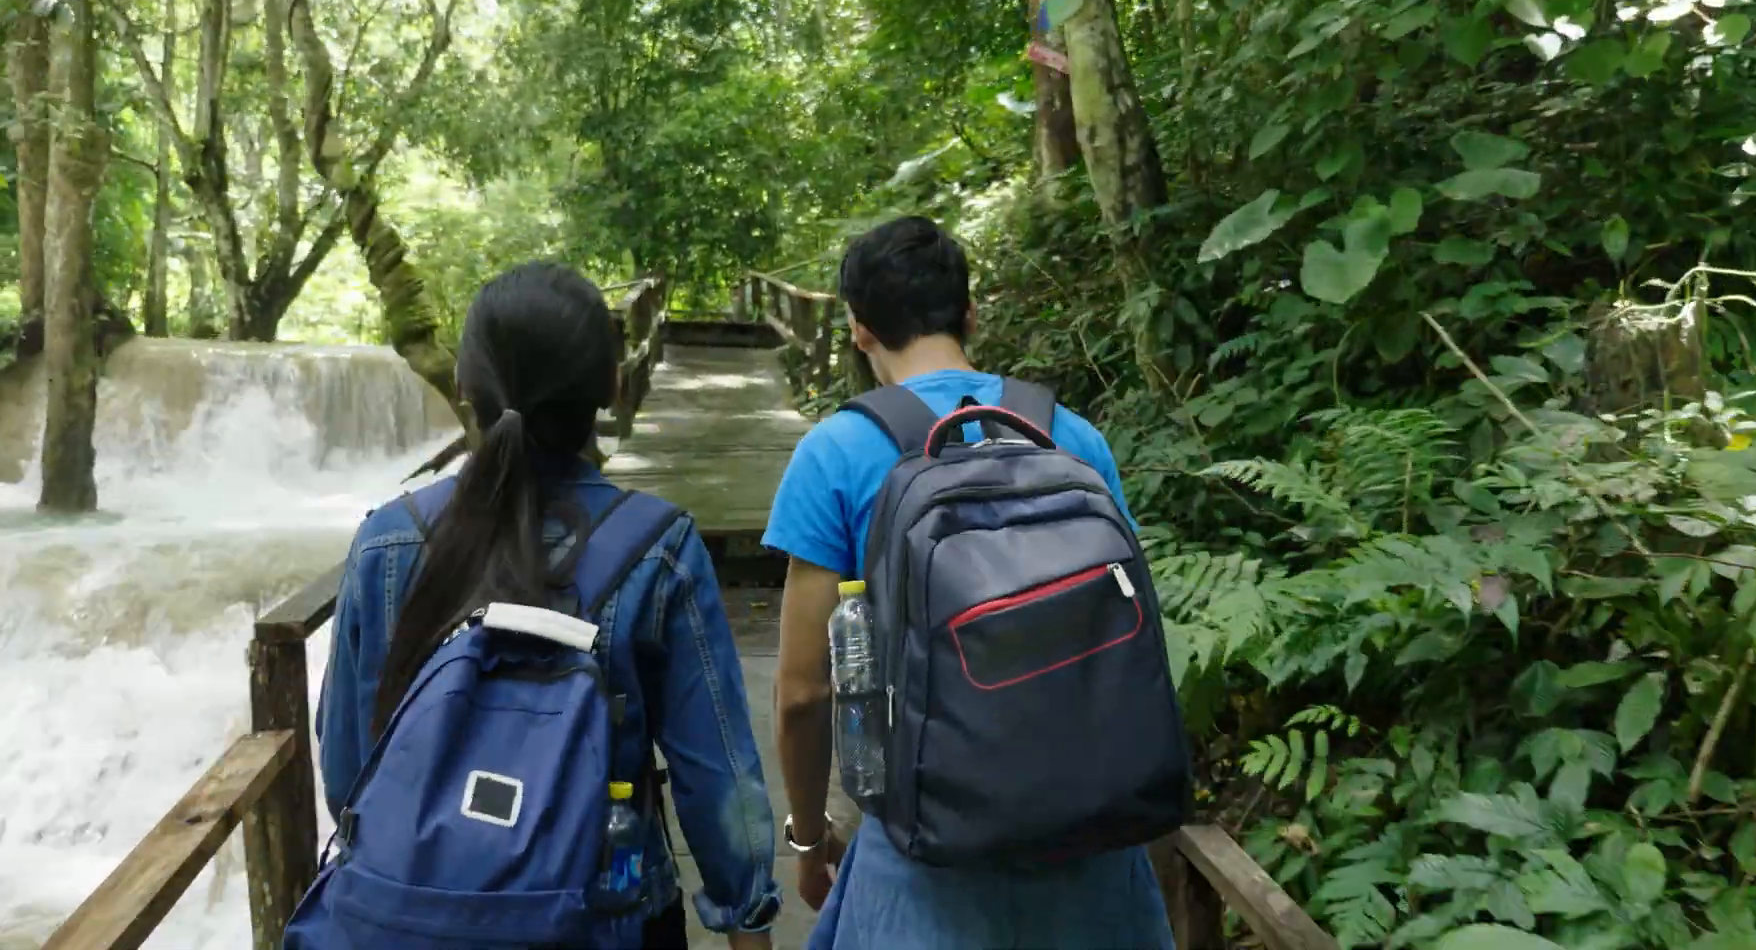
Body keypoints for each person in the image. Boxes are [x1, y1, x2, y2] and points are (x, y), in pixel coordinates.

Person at [310, 262, 780, 949]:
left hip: (405, 911)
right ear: (612, 386)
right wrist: (747, 920)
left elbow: (350, 765)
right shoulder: (659, 548)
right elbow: (716, 774)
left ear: (465, 387)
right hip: (607, 917)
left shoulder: (386, 541)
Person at [765, 216, 1177, 949]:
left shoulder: (835, 453)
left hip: (928, 863)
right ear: (971, 313)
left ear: (860, 330)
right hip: (1094, 845)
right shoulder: (1073, 438)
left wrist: (807, 836)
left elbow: (802, 692)